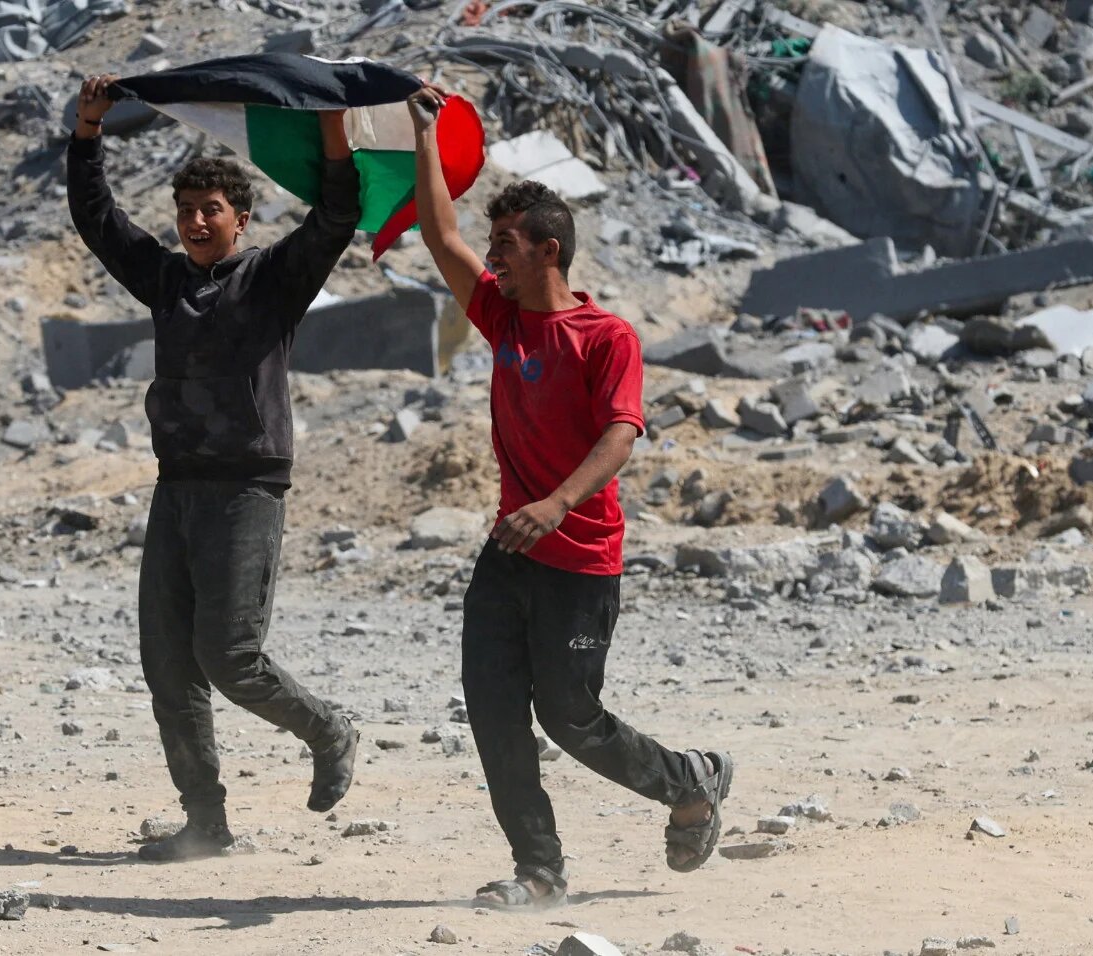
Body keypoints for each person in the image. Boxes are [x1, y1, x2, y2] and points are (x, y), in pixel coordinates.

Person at [406, 84, 734, 908]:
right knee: (492, 713)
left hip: (580, 560)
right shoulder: (502, 318)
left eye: (506, 243)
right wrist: (423, 133)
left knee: (570, 717)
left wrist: (555, 503)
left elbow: (621, 434)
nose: (493, 257)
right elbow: (439, 235)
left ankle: (688, 782)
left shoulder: (606, 337)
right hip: (508, 553)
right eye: (493, 243)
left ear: (548, 250)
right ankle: (539, 872)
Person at [66, 74, 360, 862]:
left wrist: (333, 126)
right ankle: (205, 822)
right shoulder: (167, 281)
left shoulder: (272, 279)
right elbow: (99, 221)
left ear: (241, 218)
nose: (196, 222)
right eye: (186, 210)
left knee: (230, 655)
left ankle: (327, 728)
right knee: (169, 665)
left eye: (211, 210)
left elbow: (336, 215)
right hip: (178, 487)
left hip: (246, 488)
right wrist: (88, 131)